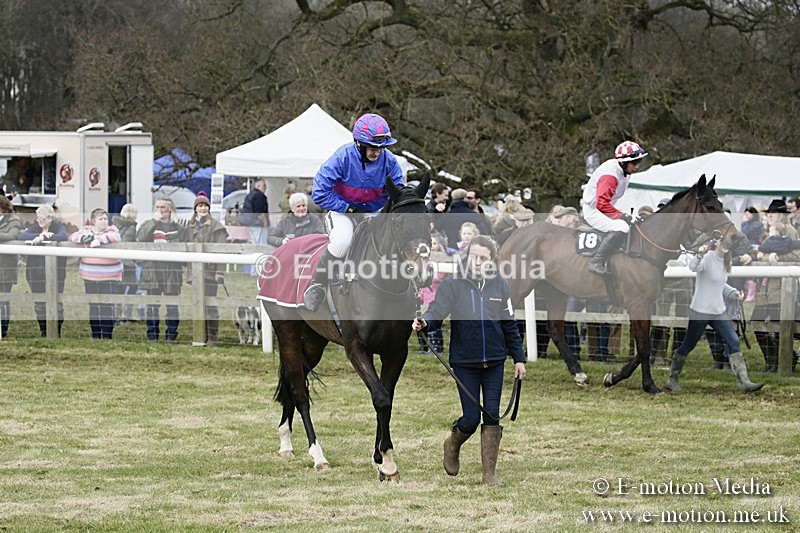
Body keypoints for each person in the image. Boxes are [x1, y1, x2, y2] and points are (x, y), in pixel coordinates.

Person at [412, 235, 526, 485]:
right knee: (471, 418)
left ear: (492, 261)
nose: (477, 262)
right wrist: (425, 322)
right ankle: (452, 443)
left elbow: (509, 324)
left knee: (493, 415)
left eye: (483, 258)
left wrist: (519, 358)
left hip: (495, 361)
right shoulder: (454, 284)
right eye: (474, 256)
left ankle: (489, 475)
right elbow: (437, 311)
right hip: (465, 362)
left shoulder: (500, 284)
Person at [303, 113, 405, 312]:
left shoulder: (390, 162)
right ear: (359, 144)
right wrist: (349, 208)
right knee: (342, 241)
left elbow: (397, 191)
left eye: (381, 148)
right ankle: (317, 284)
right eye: (373, 147)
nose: (377, 152)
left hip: (374, 211)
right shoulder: (342, 158)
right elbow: (319, 192)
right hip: (343, 211)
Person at [665, 240, 763, 392]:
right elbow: (693, 267)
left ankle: (744, 382)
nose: (726, 245)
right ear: (716, 242)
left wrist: (734, 293)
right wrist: (699, 254)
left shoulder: (725, 261)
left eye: (728, 243)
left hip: (718, 311)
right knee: (688, 345)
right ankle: (672, 378)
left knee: (734, 341)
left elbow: (720, 284)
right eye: (723, 241)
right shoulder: (708, 257)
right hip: (700, 311)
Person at [581, 141, 648, 275]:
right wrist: (624, 216)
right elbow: (602, 205)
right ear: (623, 162)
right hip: (594, 211)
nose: (637, 166)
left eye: (638, 161)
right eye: (634, 163)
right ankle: (597, 261)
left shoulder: (622, 170)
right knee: (622, 227)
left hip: (606, 207)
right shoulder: (610, 176)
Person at [137, 196, 186, 342]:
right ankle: (152, 335)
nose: (160, 210)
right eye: (157, 207)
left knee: (172, 306)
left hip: (172, 271)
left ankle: (171, 335)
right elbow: (140, 237)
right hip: (152, 271)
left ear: (170, 209)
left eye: (162, 207)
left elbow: (185, 247)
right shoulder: (148, 224)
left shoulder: (179, 227)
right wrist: (154, 221)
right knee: (152, 305)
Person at [69, 208, 122, 339]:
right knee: (93, 306)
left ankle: (107, 335)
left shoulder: (112, 230)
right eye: (100, 219)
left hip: (110, 276)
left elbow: (116, 237)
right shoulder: (85, 230)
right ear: (93, 221)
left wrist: (99, 239)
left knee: (107, 306)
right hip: (90, 276)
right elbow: (72, 237)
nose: (104, 221)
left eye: (105, 218)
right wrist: (84, 238)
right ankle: (96, 335)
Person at [19, 204, 68, 337]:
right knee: (39, 302)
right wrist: (39, 235)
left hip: (56, 273)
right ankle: (44, 331)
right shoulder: (35, 227)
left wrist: (45, 237)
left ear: (50, 218)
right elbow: (22, 236)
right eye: (38, 218)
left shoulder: (58, 227)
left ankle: (56, 331)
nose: (39, 220)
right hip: (34, 272)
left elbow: (63, 236)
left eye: (43, 218)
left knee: (56, 301)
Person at [187, 192, 228, 345]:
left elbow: (221, 250)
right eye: (200, 206)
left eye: (205, 205)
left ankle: (212, 337)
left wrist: (219, 271)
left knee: (210, 305)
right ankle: (200, 335)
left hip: (210, 273)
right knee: (198, 303)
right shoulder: (190, 225)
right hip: (195, 272)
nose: (203, 208)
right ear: (195, 208)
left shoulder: (217, 226)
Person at [113, 203, 139, 322]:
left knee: (120, 287)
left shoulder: (116, 224)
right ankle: (125, 313)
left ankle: (117, 314)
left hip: (117, 260)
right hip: (128, 261)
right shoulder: (131, 227)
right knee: (133, 286)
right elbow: (128, 242)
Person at [0, 196, 21, 338]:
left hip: (6, 267)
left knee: (3, 300)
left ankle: (4, 330)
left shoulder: (14, 220)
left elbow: (12, 235)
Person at [240, 179, 270, 245]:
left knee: (254, 242)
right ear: (258, 186)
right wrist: (265, 223)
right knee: (261, 243)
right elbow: (259, 212)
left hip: (250, 223)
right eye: (264, 185)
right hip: (258, 223)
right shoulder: (259, 195)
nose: (265, 187)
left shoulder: (250, 195)